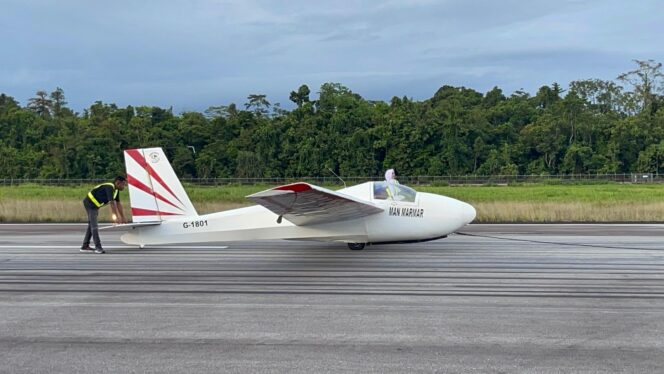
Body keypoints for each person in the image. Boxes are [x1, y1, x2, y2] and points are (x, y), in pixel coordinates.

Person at [80, 176, 127, 254]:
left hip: (95, 206)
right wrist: (116, 217)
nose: (124, 187)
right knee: (94, 226)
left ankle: (85, 246)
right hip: (90, 204)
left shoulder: (116, 190)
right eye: (123, 184)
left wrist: (123, 217)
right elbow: (112, 203)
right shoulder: (109, 187)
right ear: (118, 182)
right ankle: (98, 247)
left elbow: (118, 203)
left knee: (91, 224)